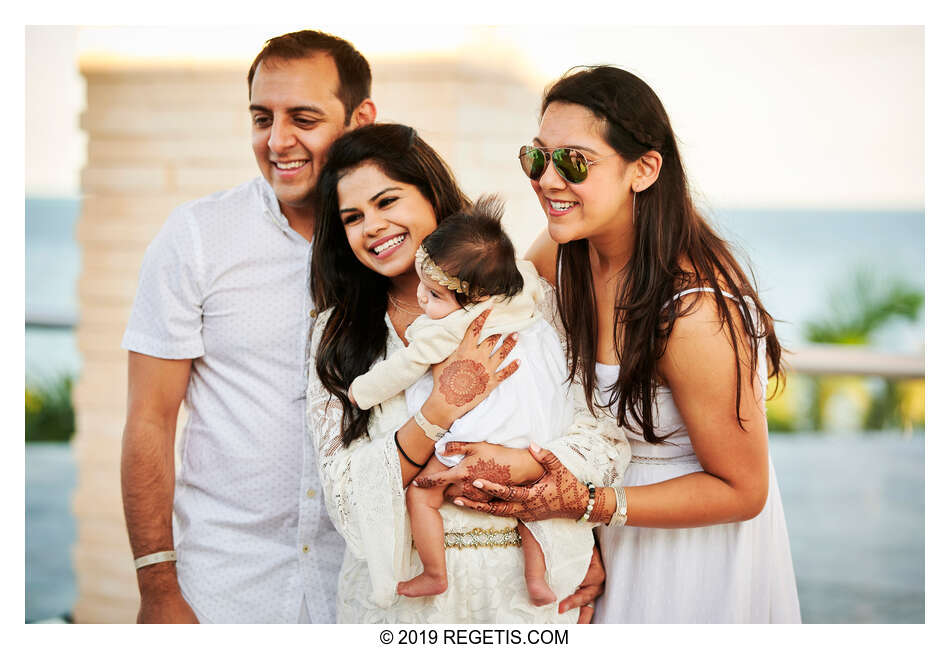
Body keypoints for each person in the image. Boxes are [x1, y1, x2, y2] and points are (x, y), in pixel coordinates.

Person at [453, 65, 802, 623]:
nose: (546, 179)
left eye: (574, 162)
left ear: (644, 169)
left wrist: (587, 505)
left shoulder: (694, 312)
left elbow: (743, 489)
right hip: (601, 534)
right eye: (537, 157)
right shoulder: (564, 252)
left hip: (688, 560)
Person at [307, 123, 629, 623]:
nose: (371, 226)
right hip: (406, 607)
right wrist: (441, 408)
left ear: (432, 195)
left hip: (526, 597)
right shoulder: (338, 332)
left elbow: (603, 437)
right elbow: (347, 499)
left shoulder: (523, 295)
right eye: (352, 218)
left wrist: (517, 463)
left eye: (387, 201)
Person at [119, 30, 376, 623]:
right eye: (262, 118)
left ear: (360, 118)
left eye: (303, 118)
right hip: (222, 590)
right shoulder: (197, 236)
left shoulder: (401, 242)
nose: (277, 141)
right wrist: (157, 588)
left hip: (362, 593)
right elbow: (150, 420)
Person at [348, 196, 578, 605]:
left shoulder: (450, 327)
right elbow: (524, 266)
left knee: (422, 493)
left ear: (472, 299)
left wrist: (361, 391)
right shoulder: (519, 293)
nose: (422, 298)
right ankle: (538, 577)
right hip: (530, 436)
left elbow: (402, 368)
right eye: (424, 285)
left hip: (474, 436)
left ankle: (434, 573)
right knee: (528, 503)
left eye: (435, 295)